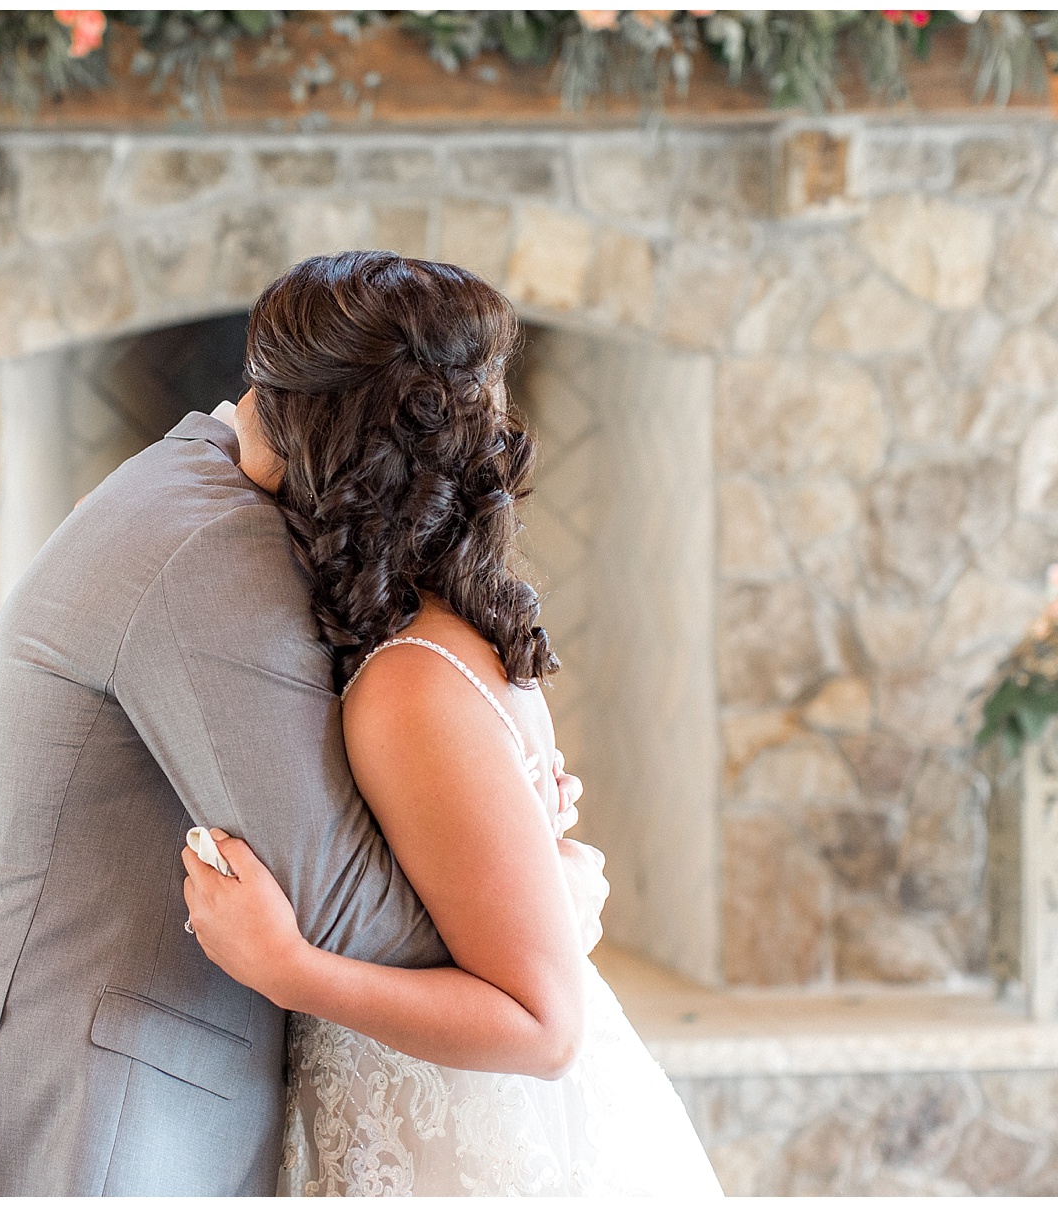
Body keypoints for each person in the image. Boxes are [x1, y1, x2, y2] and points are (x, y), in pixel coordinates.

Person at [0, 251, 602, 1192]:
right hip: (85, 1122)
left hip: (126, 1107)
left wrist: (511, 876)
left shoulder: (237, 515)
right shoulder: (205, 538)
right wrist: (543, 884)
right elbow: (342, 910)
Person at [181, 251, 723, 1196]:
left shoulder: (408, 686)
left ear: (323, 434)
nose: (238, 411)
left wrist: (287, 968)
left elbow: (542, 1026)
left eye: (262, 386)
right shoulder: (446, 625)